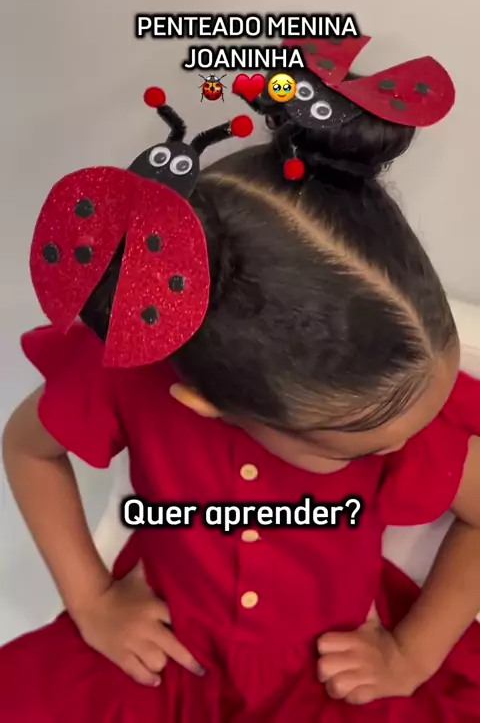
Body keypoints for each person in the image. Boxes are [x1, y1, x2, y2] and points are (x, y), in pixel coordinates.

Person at [2, 43, 480, 722]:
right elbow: (29, 448)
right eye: (354, 447)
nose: (396, 445)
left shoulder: (384, 391)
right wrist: (92, 601)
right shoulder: (131, 375)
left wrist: (412, 654)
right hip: (168, 657)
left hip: (329, 677)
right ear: (207, 404)